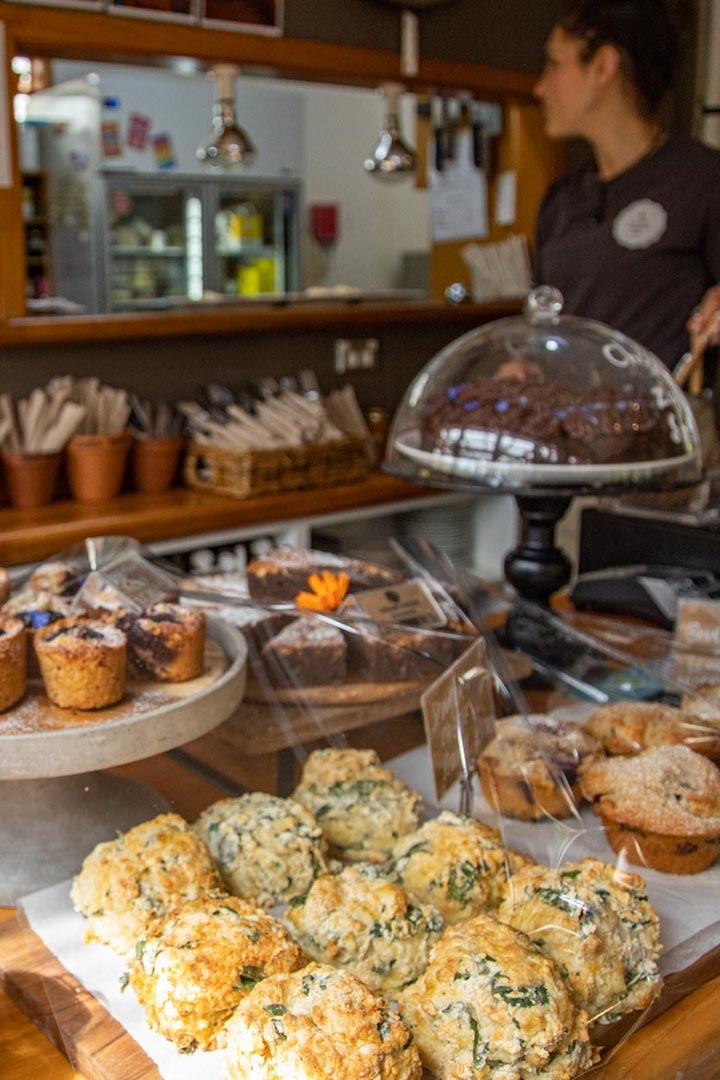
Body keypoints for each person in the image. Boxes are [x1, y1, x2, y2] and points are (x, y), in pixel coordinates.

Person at [532, 0, 720, 370]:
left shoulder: (702, 179)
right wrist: (527, 364)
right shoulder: (561, 200)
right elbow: (543, 329)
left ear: (603, 66)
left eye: (554, 64)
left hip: (660, 419)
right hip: (566, 420)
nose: (540, 88)